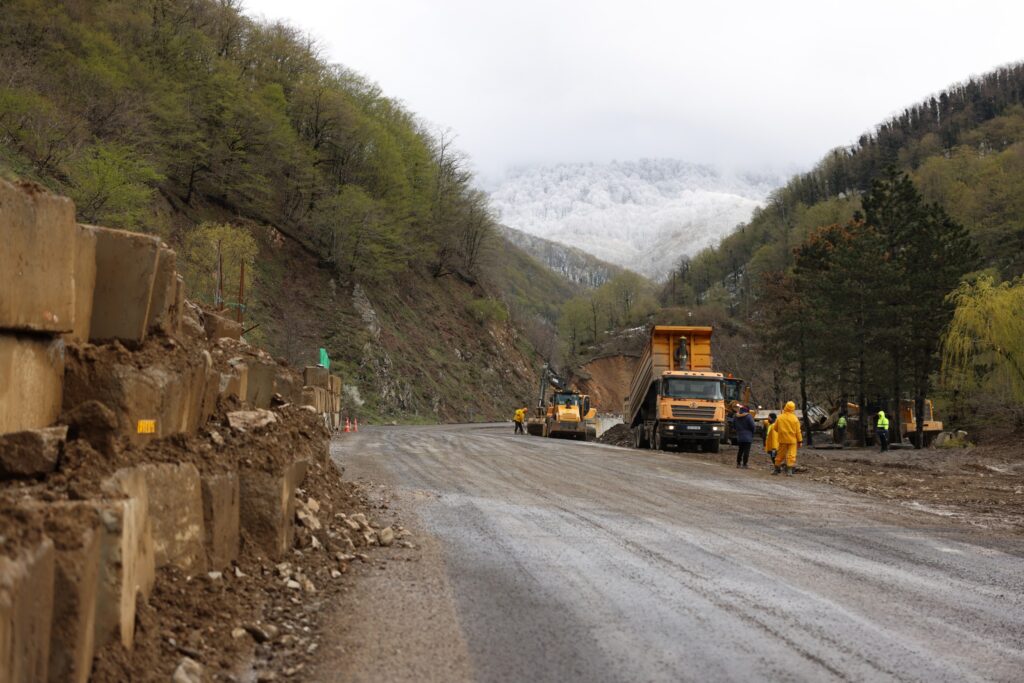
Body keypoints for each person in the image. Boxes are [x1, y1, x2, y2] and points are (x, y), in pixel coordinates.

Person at [772, 401, 802, 476]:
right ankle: (789, 471)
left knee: (780, 454)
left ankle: (776, 469)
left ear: (785, 407)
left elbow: (775, 428)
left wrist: (782, 431)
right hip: (792, 440)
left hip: (782, 439)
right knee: (791, 455)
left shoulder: (780, 417)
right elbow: (798, 431)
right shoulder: (795, 419)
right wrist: (800, 440)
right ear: (793, 409)